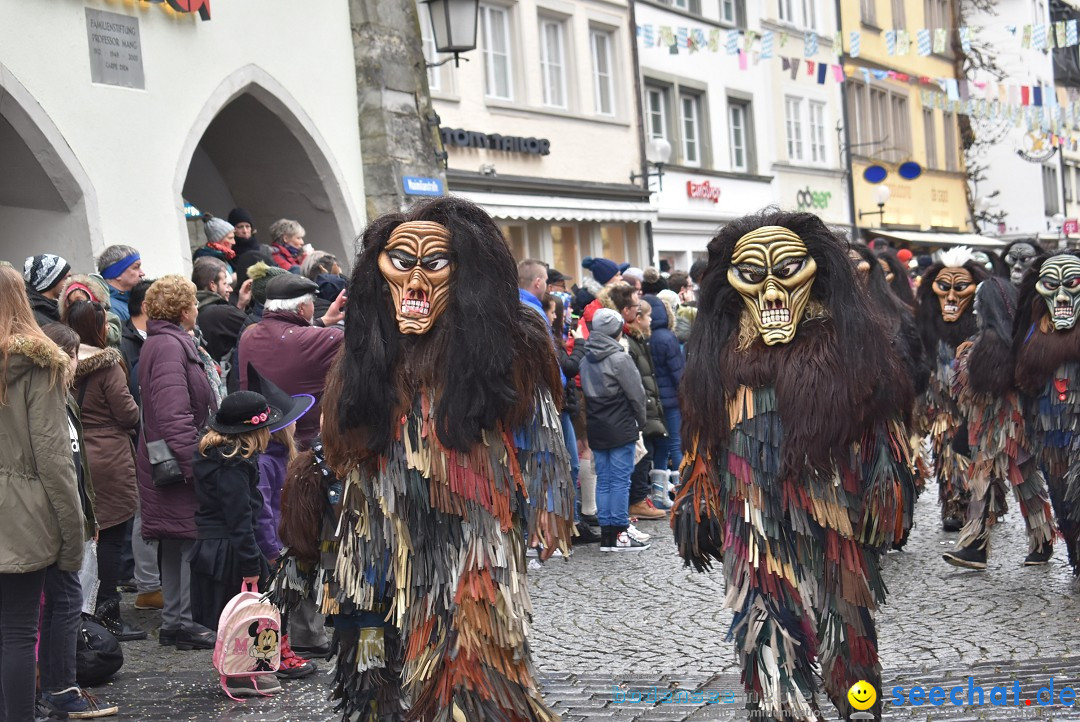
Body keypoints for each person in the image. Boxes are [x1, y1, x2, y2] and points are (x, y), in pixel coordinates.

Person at [321, 196, 573, 720]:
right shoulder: (367, 348)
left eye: (434, 265)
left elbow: (544, 425)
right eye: (401, 263)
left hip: (478, 517)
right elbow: (346, 436)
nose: (414, 284)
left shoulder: (511, 342)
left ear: (467, 273)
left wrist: (550, 501)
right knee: (370, 632)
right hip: (380, 517)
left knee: (475, 631)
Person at [673, 211, 915, 721]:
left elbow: (881, 424)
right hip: (751, 509)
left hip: (834, 508)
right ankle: (780, 706)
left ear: (817, 272)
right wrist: (699, 494)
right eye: (753, 274)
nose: (773, 290)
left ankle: (856, 700)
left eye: (787, 269)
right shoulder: (716, 358)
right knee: (760, 609)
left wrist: (886, 487)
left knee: (844, 610)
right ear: (730, 284)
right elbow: (703, 435)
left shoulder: (854, 346)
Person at [0, 265, 84, 722]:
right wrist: (72, 537)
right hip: (22, 514)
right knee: (16, 631)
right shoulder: (38, 364)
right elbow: (54, 458)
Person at [943, 277, 1055, 570]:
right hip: (990, 429)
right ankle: (1026, 543)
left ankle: (994, 546)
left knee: (1011, 483)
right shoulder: (1008, 342)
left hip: (1006, 428)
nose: (976, 311)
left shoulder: (997, 346)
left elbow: (971, 389)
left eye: (979, 304)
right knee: (1007, 483)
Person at [38, 323, 119, 719]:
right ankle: (56, 686)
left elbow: (78, 466)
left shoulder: (67, 400)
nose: (77, 364)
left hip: (73, 519)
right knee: (62, 601)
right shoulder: (45, 400)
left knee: (65, 600)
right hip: (49, 523)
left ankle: (58, 684)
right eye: (73, 356)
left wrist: (89, 515)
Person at [136, 275, 218, 651]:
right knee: (183, 540)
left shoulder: (162, 342)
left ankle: (175, 621)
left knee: (175, 542)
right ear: (183, 310)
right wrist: (195, 466)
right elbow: (173, 415)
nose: (198, 309)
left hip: (164, 459)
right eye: (195, 304)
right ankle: (181, 623)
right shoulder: (170, 345)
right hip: (176, 462)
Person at [187, 390, 283, 698]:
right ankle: (241, 671)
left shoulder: (215, 457)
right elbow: (240, 519)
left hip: (214, 546)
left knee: (235, 617)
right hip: (229, 550)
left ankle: (242, 670)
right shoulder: (233, 466)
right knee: (245, 617)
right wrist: (250, 565)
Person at [64, 300, 145, 641]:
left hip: (74, 454)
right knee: (112, 538)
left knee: (87, 538)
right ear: (99, 328)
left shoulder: (58, 362)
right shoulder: (108, 366)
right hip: (109, 458)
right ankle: (107, 614)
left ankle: (81, 609)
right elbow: (128, 414)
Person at [245, 366, 318, 679]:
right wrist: (272, 548)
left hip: (283, 541)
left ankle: (278, 651)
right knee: (270, 606)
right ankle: (267, 657)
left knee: (282, 604)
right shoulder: (264, 462)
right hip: (272, 545)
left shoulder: (280, 457)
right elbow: (262, 511)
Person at [1015, 251, 1080, 574]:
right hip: (1049, 432)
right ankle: (1075, 553)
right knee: (1062, 495)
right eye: (1051, 285)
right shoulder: (1032, 330)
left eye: (1073, 283)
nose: (1063, 295)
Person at [915, 247, 988, 531]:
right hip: (941, 404)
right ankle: (954, 507)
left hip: (974, 404)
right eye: (944, 288)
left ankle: (983, 505)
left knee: (977, 454)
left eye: (961, 287)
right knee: (945, 452)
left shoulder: (982, 324)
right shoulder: (925, 322)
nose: (952, 296)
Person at [237, 274, 345, 447]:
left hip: (262, 439)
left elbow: (289, 339)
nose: (313, 307)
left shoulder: (248, 336)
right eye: (312, 304)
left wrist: (322, 321)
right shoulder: (324, 339)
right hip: (308, 444)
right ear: (301, 308)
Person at [580, 308, 648, 551]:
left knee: (604, 481)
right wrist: (641, 421)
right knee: (620, 480)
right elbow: (637, 395)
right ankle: (620, 532)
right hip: (620, 425)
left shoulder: (585, 359)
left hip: (597, 426)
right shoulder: (620, 359)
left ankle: (608, 535)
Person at [645, 292, 684, 485]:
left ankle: (658, 491)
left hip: (652, 401)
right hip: (671, 401)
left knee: (660, 445)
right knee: (676, 444)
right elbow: (678, 372)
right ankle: (681, 487)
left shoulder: (644, 337)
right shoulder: (668, 338)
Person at [192, 257, 250, 364]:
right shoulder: (221, 313)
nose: (230, 289)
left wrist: (240, 305)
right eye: (225, 284)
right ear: (212, 285)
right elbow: (258, 329)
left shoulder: (195, 310)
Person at [57, 275, 122, 347]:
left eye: (79, 300)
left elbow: (113, 336)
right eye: (70, 302)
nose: (75, 306)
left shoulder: (108, 317)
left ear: (92, 300)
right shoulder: (66, 323)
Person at [96, 245, 144, 321]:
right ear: (117, 273)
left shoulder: (131, 300)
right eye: (136, 267)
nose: (142, 273)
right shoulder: (111, 308)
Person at [23, 253, 72, 327]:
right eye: (66, 278)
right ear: (52, 281)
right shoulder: (40, 320)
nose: (70, 282)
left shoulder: (51, 310)